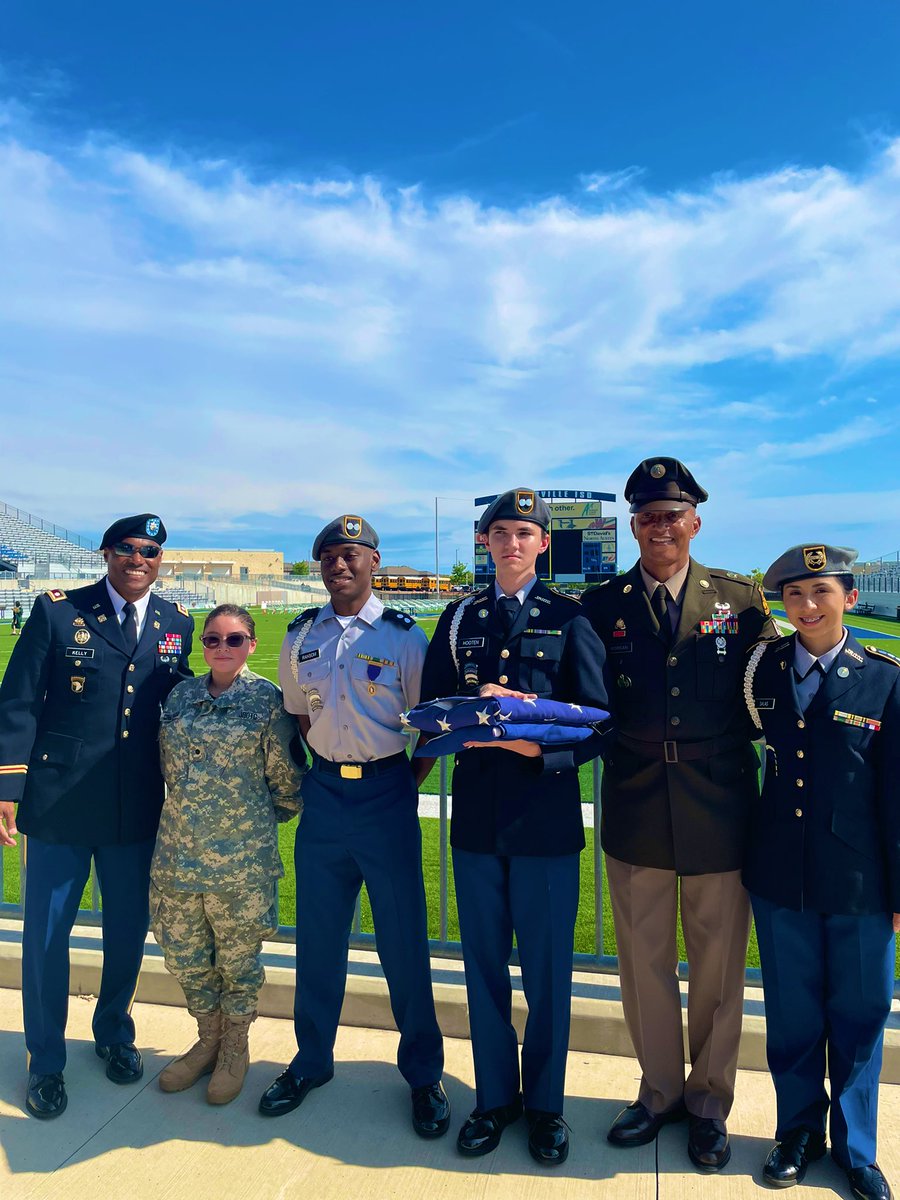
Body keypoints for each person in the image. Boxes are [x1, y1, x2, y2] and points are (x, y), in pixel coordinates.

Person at [581, 458, 776, 1171]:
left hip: (721, 804)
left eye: (673, 515)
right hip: (635, 803)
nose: (660, 528)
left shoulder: (741, 600)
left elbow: (771, 696)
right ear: (633, 525)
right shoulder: (601, 607)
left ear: (695, 521)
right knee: (644, 965)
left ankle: (709, 1103)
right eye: (648, 516)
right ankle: (658, 1091)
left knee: (720, 971)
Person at [419, 488, 608, 1167]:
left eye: (524, 532)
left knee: (548, 976)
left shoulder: (570, 618)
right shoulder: (460, 616)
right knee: (483, 973)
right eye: (500, 531)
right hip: (475, 821)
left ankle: (547, 1108)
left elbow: (595, 719)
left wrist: (533, 738)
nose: (511, 543)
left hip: (544, 821)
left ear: (542, 544)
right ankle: (495, 1099)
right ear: (486, 542)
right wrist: (458, 723)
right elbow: (434, 706)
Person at [259, 515, 448, 1139]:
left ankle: (424, 1074)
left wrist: (394, 782)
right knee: (317, 938)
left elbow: (428, 726)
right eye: (329, 557)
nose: (340, 565)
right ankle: (312, 1060)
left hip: (387, 796)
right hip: (325, 795)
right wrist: (335, 771)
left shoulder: (403, 637)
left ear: (374, 562)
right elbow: (299, 716)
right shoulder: (300, 637)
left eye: (352, 554)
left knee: (402, 941)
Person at [0, 514, 193, 1119]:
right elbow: (20, 699)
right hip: (60, 803)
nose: (140, 559)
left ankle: (113, 1032)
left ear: (161, 560)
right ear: (107, 554)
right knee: (47, 936)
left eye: (152, 551)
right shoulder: (59, 611)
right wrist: (8, 783)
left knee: (127, 931)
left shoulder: (176, 623)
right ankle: (46, 1059)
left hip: (136, 807)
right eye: (129, 549)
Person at [743, 545, 900, 1200]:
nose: (807, 606)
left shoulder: (886, 679)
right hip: (781, 874)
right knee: (795, 1015)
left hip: (861, 880)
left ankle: (856, 1148)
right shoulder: (766, 670)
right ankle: (798, 1131)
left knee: (861, 1017)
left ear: (849, 598)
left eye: (821, 592)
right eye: (795, 595)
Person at [151, 604, 306, 1104]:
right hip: (177, 856)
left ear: (252, 645)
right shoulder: (181, 696)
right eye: (212, 640)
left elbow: (286, 783)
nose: (222, 648)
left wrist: (244, 824)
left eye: (234, 640)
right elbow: (167, 767)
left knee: (238, 961)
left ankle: (235, 1045)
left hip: (241, 862)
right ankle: (207, 1038)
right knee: (185, 956)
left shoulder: (266, 702)